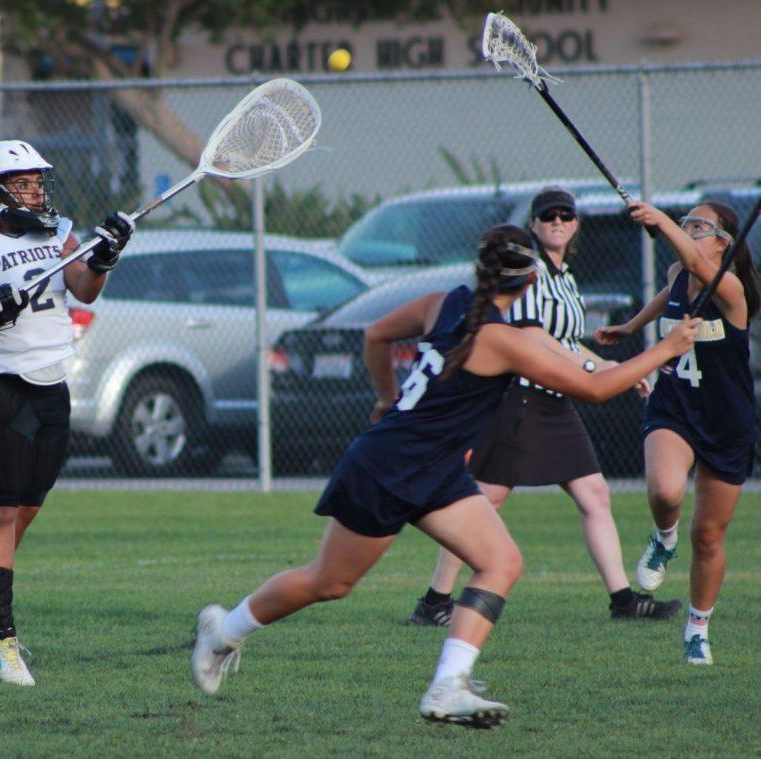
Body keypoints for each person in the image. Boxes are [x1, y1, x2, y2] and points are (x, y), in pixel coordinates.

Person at [190, 224, 700, 727]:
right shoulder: (502, 339)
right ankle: (222, 632)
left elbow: (376, 336)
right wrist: (665, 348)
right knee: (329, 581)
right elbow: (594, 391)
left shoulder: (445, 302)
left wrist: (387, 398)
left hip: (434, 469)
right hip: (390, 467)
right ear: (529, 285)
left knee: (501, 562)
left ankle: (448, 686)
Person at [409, 187, 681, 628]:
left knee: (594, 494)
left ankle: (623, 600)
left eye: (565, 215)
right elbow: (534, 336)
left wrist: (605, 361)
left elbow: (567, 342)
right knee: (483, 502)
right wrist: (597, 366)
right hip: (521, 397)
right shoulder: (529, 273)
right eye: (547, 216)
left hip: (555, 401)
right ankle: (435, 600)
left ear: (575, 225)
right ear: (533, 225)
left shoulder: (565, 276)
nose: (557, 221)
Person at [0, 139, 135, 685]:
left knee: (26, 507)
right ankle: (1, 637)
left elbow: (84, 291)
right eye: (20, 184)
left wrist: (104, 256)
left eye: (36, 182)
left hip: (51, 382)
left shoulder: (57, 231)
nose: (34, 191)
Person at [595, 200, 758, 665]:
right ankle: (663, 538)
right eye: (685, 220)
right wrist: (631, 326)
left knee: (708, 537)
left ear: (723, 242)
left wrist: (661, 220)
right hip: (674, 406)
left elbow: (691, 260)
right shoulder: (676, 272)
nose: (688, 228)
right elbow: (671, 286)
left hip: (726, 422)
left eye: (698, 225)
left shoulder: (731, 289)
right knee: (665, 490)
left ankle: (697, 629)